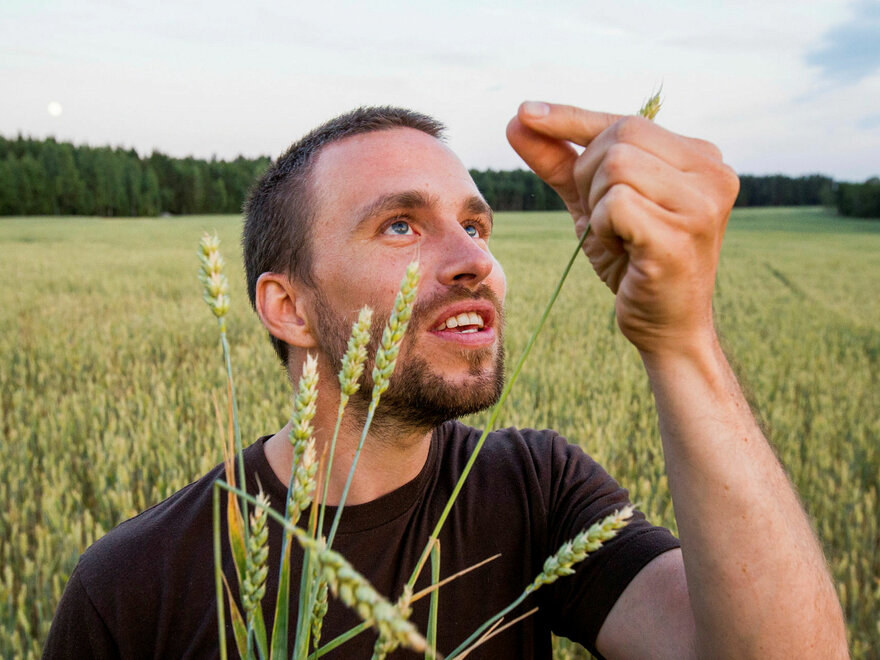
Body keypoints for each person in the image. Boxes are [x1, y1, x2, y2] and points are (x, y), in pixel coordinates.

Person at [44, 103, 848, 659]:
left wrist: (681, 338)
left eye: (475, 224)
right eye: (401, 225)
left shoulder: (536, 491)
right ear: (286, 306)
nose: (475, 260)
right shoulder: (130, 586)